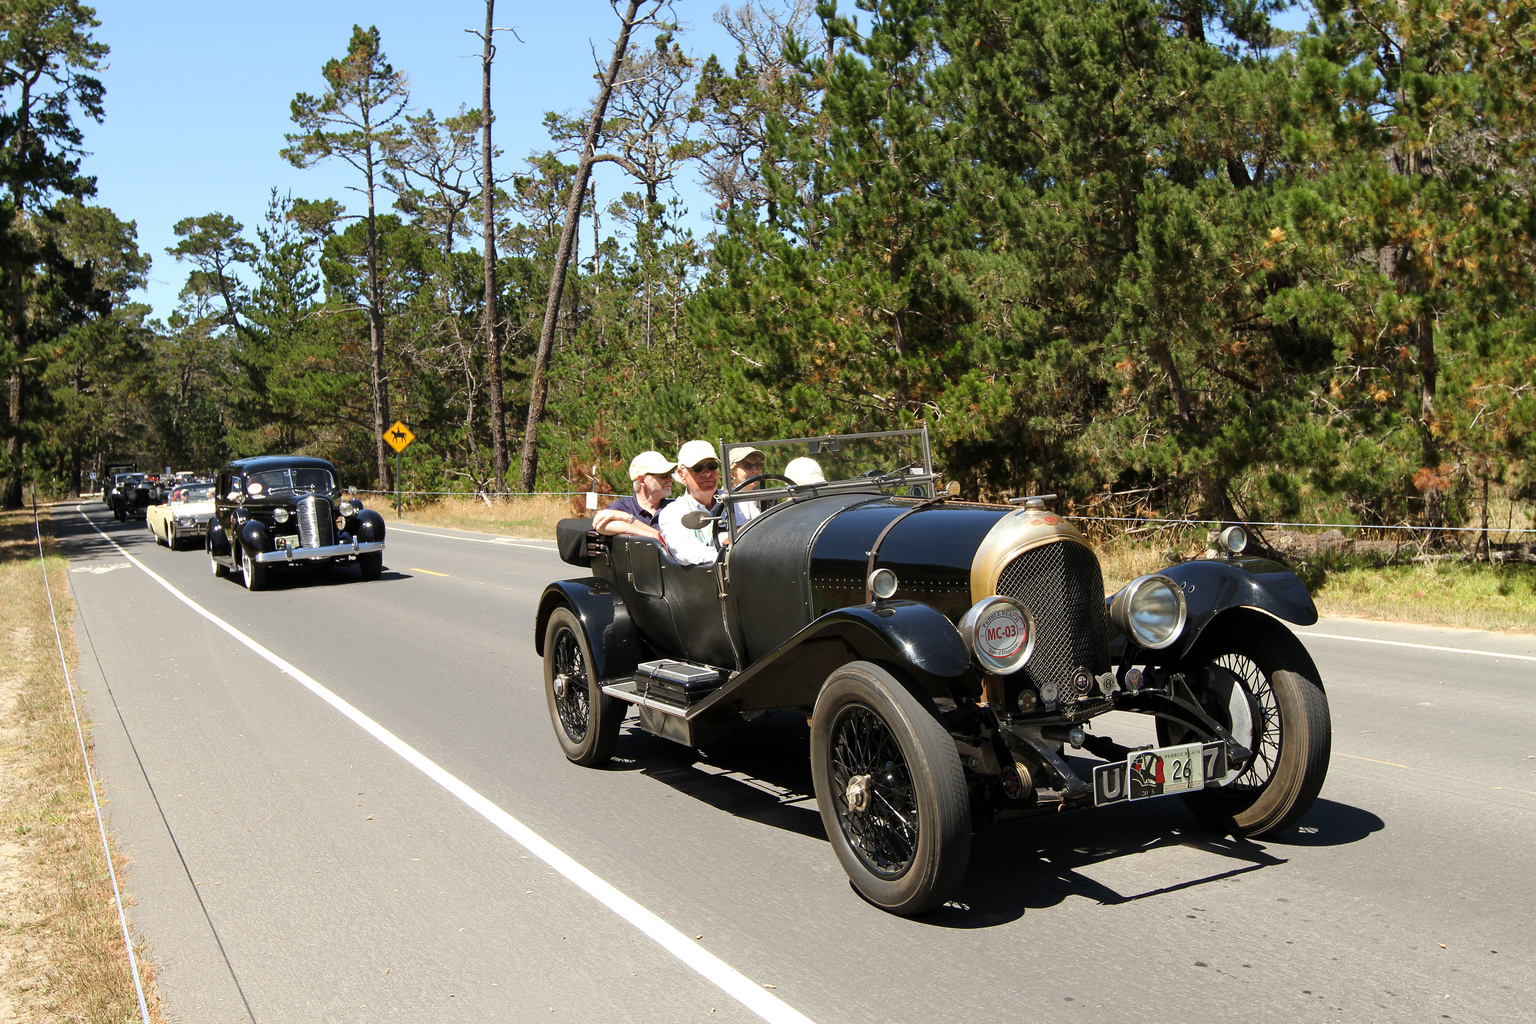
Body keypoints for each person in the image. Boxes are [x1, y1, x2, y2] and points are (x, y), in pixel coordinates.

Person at [658, 440, 725, 566]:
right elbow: (686, 550)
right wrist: (728, 558)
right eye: (698, 468)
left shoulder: (739, 503)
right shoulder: (672, 513)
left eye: (712, 466)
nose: (707, 473)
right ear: (681, 474)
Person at [593, 450, 676, 546]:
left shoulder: (675, 508)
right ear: (642, 480)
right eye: (664, 475)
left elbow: (673, 542)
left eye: (671, 473)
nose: (670, 479)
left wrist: (627, 518)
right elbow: (601, 525)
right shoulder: (623, 507)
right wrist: (653, 536)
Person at [726, 445, 766, 527]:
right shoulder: (723, 501)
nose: (755, 470)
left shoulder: (768, 498)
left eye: (758, 465)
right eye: (747, 465)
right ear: (732, 472)